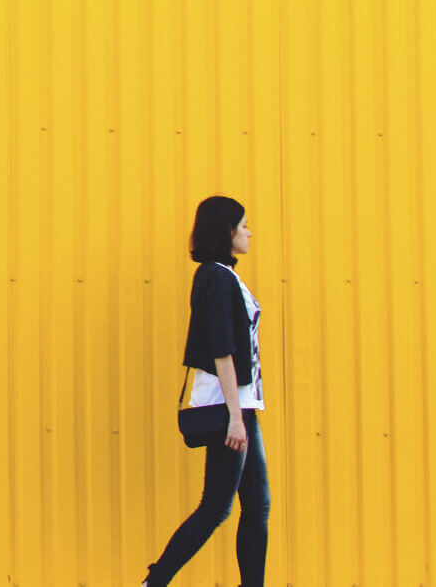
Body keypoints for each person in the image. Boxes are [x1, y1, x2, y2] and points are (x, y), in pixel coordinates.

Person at [141, 195, 271, 587]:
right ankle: (155, 581)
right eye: (244, 225)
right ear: (227, 231)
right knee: (217, 507)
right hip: (227, 407)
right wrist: (234, 417)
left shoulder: (224, 276)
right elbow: (221, 348)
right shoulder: (215, 276)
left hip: (240, 406)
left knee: (256, 505)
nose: (249, 233)